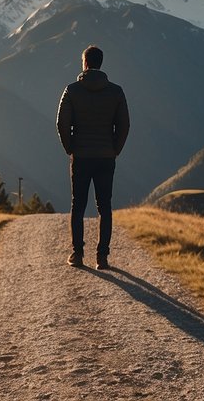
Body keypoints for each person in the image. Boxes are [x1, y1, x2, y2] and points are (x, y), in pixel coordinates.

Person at [56, 44, 130, 269]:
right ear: (100, 63)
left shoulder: (71, 90)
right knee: (104, 206)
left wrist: (71, 148)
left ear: (85, 63)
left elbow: (62, 124)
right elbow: (124, 125)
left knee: (78, 206)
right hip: (106, 157)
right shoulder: (116, 91)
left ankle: (77, 255)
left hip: (81, 156)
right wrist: (114, 149)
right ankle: (102, 257)